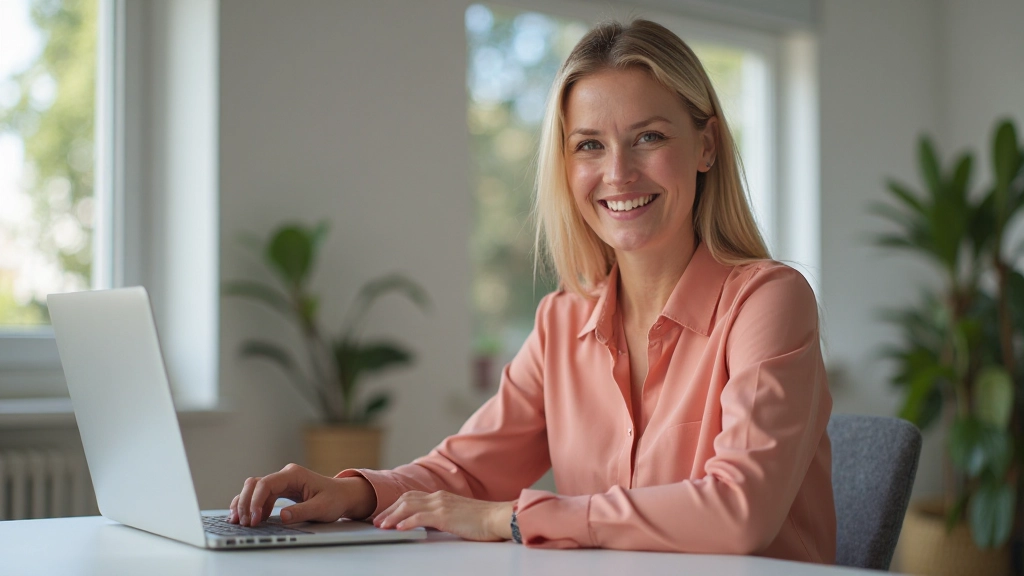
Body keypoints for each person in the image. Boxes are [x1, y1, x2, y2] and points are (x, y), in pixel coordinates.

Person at [228, 19, 835, 563]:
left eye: (649, 137)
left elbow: (740, 512)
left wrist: (512, 519)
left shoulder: (768, 302)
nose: (618, 173)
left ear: (705, 146)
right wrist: (353, 491)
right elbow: (465, 469)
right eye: (589, 145)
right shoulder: (562, 322)